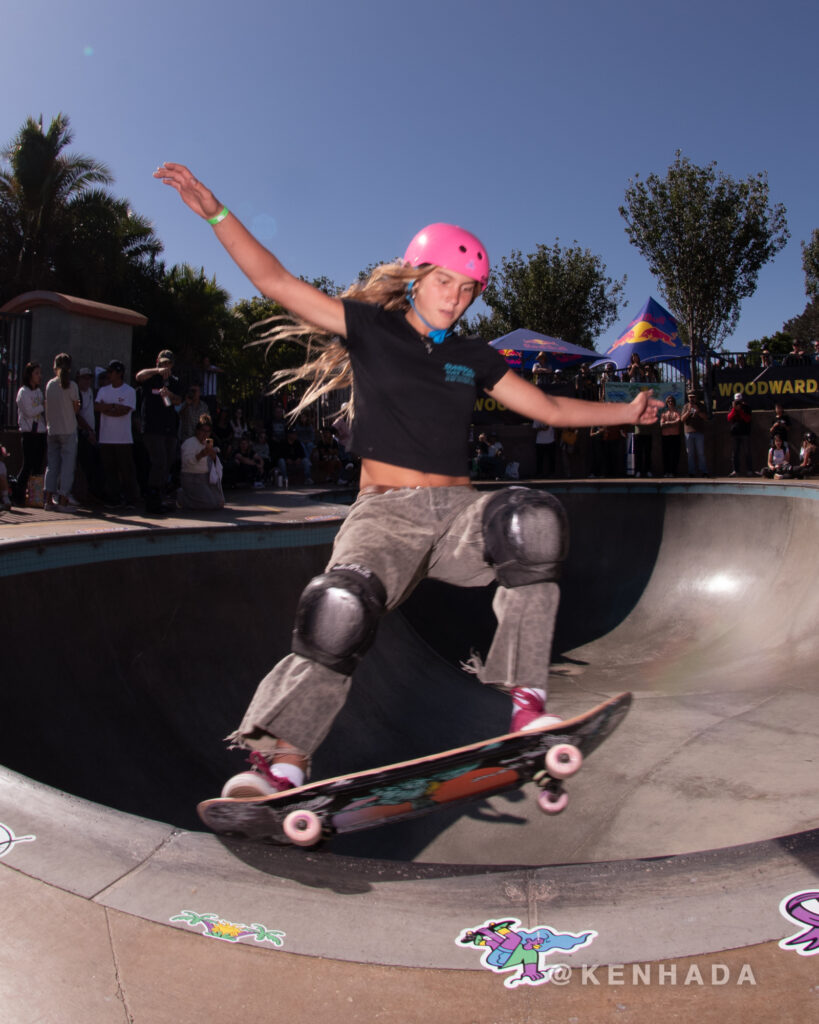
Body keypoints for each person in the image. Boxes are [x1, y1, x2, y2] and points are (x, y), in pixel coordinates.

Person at [153, 161, 662, 799]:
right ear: (416, 277)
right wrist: (215, 212)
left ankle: (527, 707)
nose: (454, 296)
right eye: (444, 281)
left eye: (469, 288)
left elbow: (550, 410)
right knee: (339, 609)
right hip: (384, 516)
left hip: (458, 517)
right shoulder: (373, 329)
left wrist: (628, 410)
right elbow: (276, 282)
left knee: (532, 521)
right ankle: (284, 761)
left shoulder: (474, 356)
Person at [135, 350, 182, 513]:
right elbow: (138, 376)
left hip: (168, 428)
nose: (165, 366)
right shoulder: (151, 378)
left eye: (168, 363)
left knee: (167, 462)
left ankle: (159, 497)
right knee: (159, 461)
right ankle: (152, 500)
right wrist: (157, 371)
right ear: (158, 362)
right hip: (152, 428)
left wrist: (169, 394)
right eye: (162, 363)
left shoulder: (174, 381)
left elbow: (177, 401)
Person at [95, 359, 141, 510]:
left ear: (119, 373)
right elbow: (97, 406)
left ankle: (131, 499)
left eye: (111, 372)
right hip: (105, 437)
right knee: (110, 469)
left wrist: (109, 409)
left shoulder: (129, 391)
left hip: (123, 439)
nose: (108, 375)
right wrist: (113, 407)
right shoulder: (103, 390)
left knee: (126, 469)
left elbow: (125, 411)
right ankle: (113, 498)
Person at [43, 353, 81, 509]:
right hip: (68, 428)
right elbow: (76, 409)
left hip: (52, 429)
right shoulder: (72, 386)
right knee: (67, 465)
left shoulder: (49, 385)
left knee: (52, 465)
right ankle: (64, 498)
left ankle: (47, 498)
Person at [13, 362, 47, 504]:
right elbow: (28, 412)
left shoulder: (38, 392)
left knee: (38, 466)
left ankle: (35, 497)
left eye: (40, 373)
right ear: (29, 375)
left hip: (40, 432)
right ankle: (18, 495)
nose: (39, 376)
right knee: (28, 464)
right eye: (36, 373)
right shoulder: (23, 392)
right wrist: (42, 406)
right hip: (29, 433)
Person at [177, 414, 225, 509]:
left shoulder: (206, 444)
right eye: (203, 431)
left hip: (205, 478)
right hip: (192, 477)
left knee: (220, 502)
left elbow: (216, 466)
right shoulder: (189, 443)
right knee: (211, 504)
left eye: (208, 432)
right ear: (197, 431)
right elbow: (187, 461)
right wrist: (201, 455)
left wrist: (213, 457)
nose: (205, 434)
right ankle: (182, 498)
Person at [681, 389, 708, 476]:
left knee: (701, 453)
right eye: (690, 397)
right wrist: (689, 411)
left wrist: (698, 411)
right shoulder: (686, 406)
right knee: (690, 454)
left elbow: (705, 417)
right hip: (688, 432)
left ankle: (703, 471)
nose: (692, 399)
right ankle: (691, 472)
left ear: (696, 397)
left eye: (693, 397)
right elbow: (682, 419)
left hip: (699, 432)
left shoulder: (701, 406)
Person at [727, 392, 753, 477]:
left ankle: (749, 470)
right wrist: (734, 409)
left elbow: (748, 419)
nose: (738, 403)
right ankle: (736, 470)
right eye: (736, 401)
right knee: (735, 453)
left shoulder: (746, 408)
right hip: (735, 433)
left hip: (745, 432)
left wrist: (741, 411)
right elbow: (729, 418)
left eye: (739, 401)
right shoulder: (732, 408)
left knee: (747, 452)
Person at [660, 395, 683, 476]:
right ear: (666, 403)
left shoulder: (677, 412)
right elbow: (661, 424)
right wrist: (672, 423)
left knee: (675, 455)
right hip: (665, 436)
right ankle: (666, 471)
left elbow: (678, 421)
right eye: (669, 401)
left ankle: (674, 472)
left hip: (675, 436)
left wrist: (668, 423)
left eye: (672, 401)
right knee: (666, 455)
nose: (670, 403)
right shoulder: (664, 413)